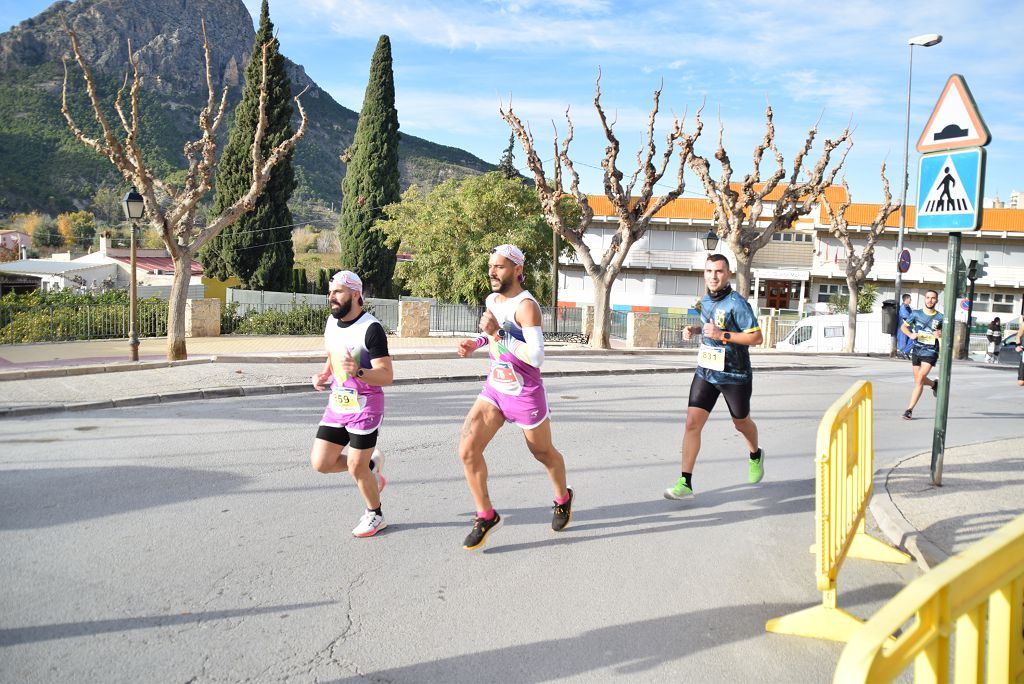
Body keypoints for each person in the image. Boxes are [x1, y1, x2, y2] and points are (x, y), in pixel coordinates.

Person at [455, 244, 573, 550]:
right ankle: (486, 514)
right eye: (491, 266)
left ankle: (563, 497)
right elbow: (493, 333)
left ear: (518, 270)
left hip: (525, 394)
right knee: (467, 449)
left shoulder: (526, 306)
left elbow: (536, 356)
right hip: (495, 388)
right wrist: (476, 342)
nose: (493, 272)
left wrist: (497, 335)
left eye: (500, 266)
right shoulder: (492, 299)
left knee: (543, 453)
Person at [665, 254, 765, 501]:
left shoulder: (738, 304)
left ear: (728, 274)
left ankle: (755, 454)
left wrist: (724, 335)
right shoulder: (705, 301)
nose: (713, 276)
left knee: (741, 423)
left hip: (734, 374)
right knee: (691, 423)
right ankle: (685, 482)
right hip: (707, 372)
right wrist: (695, 329)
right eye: (709, 271)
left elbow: (756, 338)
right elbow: (710, 325)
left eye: (719, 271)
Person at [309, 270, 394, 538]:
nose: (331, 297)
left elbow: (386, 375)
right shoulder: (331, 324)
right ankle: (371, 471)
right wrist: (325, 373)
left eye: (338, 292)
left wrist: (358, 371)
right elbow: (333, 355)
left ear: (356, 295)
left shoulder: (371, 329)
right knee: (321, 462)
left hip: (366, 406)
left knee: (356, 466)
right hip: (338, 403)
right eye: (330, 292)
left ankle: (374, 514)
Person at [899, 289, 943, 420]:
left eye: (933, 298)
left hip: (931, 350)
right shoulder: (916, 314)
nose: (930, 300)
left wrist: (940, 334)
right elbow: (903, 327)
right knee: (918, 379)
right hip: (917, 349)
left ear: (936, 300)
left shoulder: (941, 317)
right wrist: (910, 334)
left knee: (920, 379)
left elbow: (946, 333)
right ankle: (934, 385)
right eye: (928, 297)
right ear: (925, 299)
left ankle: (909, 410)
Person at [897, 294, 914, 359]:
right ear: (906, 299)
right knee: (903, 342)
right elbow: (906, 317)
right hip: (903, 328)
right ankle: (903, 353)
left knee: (913, 339)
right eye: (910, 299)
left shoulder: (908, 307)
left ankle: (905, 352)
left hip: (908, 327)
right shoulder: (903, 307)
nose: (910, 300)